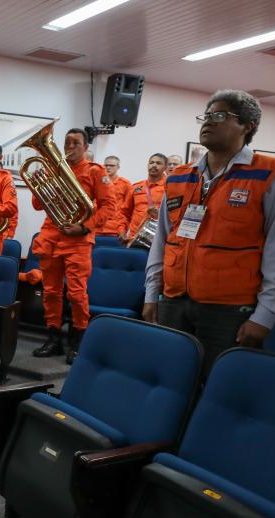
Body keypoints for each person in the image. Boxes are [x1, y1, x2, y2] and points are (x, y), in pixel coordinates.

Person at [143, 89, 275, 369]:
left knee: (217, 381)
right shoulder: (180, 177)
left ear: (247, 126)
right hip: (174, 302)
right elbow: (162, 241)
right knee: (169, 375)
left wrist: (265, 316)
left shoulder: (271, 174)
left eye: (220, 116)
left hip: (230, 310)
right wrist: (151, 293)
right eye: (206, 116)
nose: (208, 121)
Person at [31, 127, 117, 364]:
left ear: (86, 147)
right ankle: (53, 338)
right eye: (67, 142)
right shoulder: (54, 169)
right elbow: (37, 205)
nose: (70, 147)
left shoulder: (95, 171)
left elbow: (109, 207)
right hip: (51, 236)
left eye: (76, 143)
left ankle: (79, 340)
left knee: (77, 294)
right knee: (50, 292)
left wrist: (84, 227)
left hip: (78, 239)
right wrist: (38, 183)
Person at [121, 153, 168, 242]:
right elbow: (124, 212)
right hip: (134, 238)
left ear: (165, 167)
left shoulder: (170, 187)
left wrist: (160, 214)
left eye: (158, 163)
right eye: (151, 162)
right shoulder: (136, 187)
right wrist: (122, 230)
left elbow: (176, 215)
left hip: (159, 239)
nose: (154, 165)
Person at [102, 155, 132, 236]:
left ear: (118, 167)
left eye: (111, 165)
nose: (108, 167)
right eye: (106, 165)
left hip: (115, 228)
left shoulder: (125, 184)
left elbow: (128, 208)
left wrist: (123, 228)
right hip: (98, 227)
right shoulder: (98, 182)